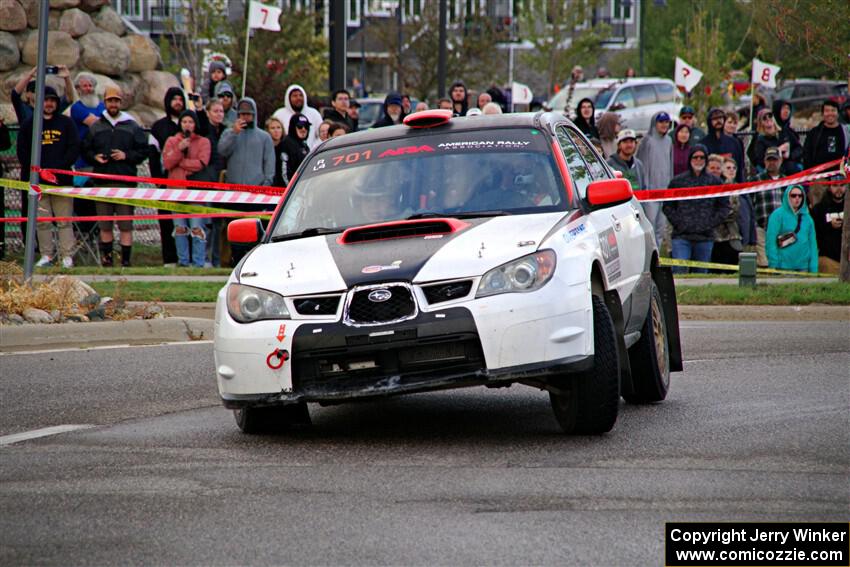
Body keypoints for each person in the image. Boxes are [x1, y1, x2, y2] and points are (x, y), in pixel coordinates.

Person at [82, 87, 148, 267]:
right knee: (105, 225)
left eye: (116, 101)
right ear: (105, 102)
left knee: (126, 225)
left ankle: (126, 262)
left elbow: (143, 150)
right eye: (110, 100)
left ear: (121, 102)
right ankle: (108, 260)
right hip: (102, 183)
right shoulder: (96, 126)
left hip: (125, 182)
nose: (113, 104)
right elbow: (85, 149)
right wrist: (94, 157)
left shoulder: (132, 126)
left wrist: (126, 156)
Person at [16, 86, 80, 268]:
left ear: (57, 103)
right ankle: (46, 255)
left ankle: (67, 256)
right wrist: (36, 170)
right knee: (42, 222)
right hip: (38, 182)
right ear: (39, 102)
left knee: (64, 220)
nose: (49, 104)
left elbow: (74, 148)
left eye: (53, 100)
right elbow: (22, 151)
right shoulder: (30, 124)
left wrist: (58, 168)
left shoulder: (66, 123)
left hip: (62, 181)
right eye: (46, 100)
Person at [663, 145, 730, 273]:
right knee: (679, 269)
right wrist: (679, 223)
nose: (698, 160)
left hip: (705, 237)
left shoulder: (715, 182)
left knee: (701, 274)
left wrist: (709, 223)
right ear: (690, 159)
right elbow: (667, 206)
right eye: (695, 157)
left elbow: (724, 207)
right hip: (682, 236)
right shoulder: (678, 181)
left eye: (702, 157)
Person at [162, 110, 211, 268]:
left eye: (190, 122)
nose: (187, 125)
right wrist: (179, 150)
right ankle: (183, 262)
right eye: (184, 122)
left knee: (197, 228)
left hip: (195, 193)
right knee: (180, 229)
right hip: (176, 192)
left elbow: (201, 163)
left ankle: (198, 263)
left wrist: (181, 162)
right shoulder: (171, 141)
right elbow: (167, 163)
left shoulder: (203, 142)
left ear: (195, 124)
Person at [150, 86, 187, 267]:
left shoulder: (190, 123)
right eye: (174, 99)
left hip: (185, 183)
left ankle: (186, 259)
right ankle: (170, 259)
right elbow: (152, 154)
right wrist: (158, 180)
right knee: (166, 221)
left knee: (187, 221)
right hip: (165, 183)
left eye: (181, 99)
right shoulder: (158, 127)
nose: (178, 102)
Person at [636, 111, 674, 246]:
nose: (664, 125)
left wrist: (670, 189)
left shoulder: (669, 141)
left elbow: (670, 166)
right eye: (661, 122)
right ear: (655, 123)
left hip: (664, 193)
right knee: (650, 227)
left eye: (666, 122)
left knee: (660, 229)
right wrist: (645, 191)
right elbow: (641, 167)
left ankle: (657, 259)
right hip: (650, 194)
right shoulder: (648, 141)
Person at [750, 147, 789, 267]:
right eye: (769, 160)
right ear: (764, 161)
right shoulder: (756, 180)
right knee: (764, 263)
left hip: (783, 229)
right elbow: (749, 204)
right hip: (762, 228)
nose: (771, 163)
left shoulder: (788, 181)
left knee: (782, 262)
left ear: (780, 161)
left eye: (775, 160)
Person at [765, 185, 818, 273]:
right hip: (782, 267)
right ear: (787, 196)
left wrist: (814, 269)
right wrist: (773, 265)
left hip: (803, 267)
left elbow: (813, 245)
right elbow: (771, 242)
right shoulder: (777, 215)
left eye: (800, 196)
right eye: (793, 195)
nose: (797, 198)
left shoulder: (808, 219)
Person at [747, 108, 802, 175]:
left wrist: (790, 155)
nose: (768, 119)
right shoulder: (760, 139)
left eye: (770, 116)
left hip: (790, 166)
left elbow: (799, 148)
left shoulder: (785, 132)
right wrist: (778, 150)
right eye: (764, 118)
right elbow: (760, 160)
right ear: (761, 122)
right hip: (773, 170)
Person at [272, 84, 324, 148]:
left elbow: (322, 134)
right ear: (288, 98)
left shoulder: (314, 113)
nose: (298, 98)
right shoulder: (279, 114)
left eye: (301, 95)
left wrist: (314, 148)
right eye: (295, 96)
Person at [803, 100, 850, 170]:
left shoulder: (846, 132)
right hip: (819, 176)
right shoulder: (814, 133)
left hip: (841, 175)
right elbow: (807, 154)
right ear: (823, 114)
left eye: (833, 110)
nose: (830, 113)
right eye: (827, 111)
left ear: (838, 113)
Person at [703, 107, 745, 182]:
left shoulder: (734, 143)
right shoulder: (703, 144)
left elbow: (740, 169)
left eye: (720, 118)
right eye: (715, 119)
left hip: (731, 185)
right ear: (710, 122)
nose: (718, 121)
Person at [811, 182, 846, 273]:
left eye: (842, 185)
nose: (839, 189)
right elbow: (814, 234)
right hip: (828, 260)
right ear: (829, 187)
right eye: (835, 185)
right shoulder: (819, 209)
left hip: (847, 260)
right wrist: (829, 225)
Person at [606, 129, 646, 193]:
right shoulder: (609, 165)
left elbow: (644, 188)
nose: (629, 145)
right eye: (625, 142)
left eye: (631, 141)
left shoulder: (639, 164)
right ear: (619, 145)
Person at [281, 114, 312, 184]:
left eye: (306, 126)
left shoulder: (304, 145)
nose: (303, 129)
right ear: (293, 127)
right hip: (291, 189)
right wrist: (290, 191)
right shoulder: (286, 143)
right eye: (300, 126)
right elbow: (284, 172)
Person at [266, 117, 287, 187]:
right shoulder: (265, 148)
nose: (276, 131)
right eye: (272, 128)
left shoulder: (287, 148)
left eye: (278, 127)